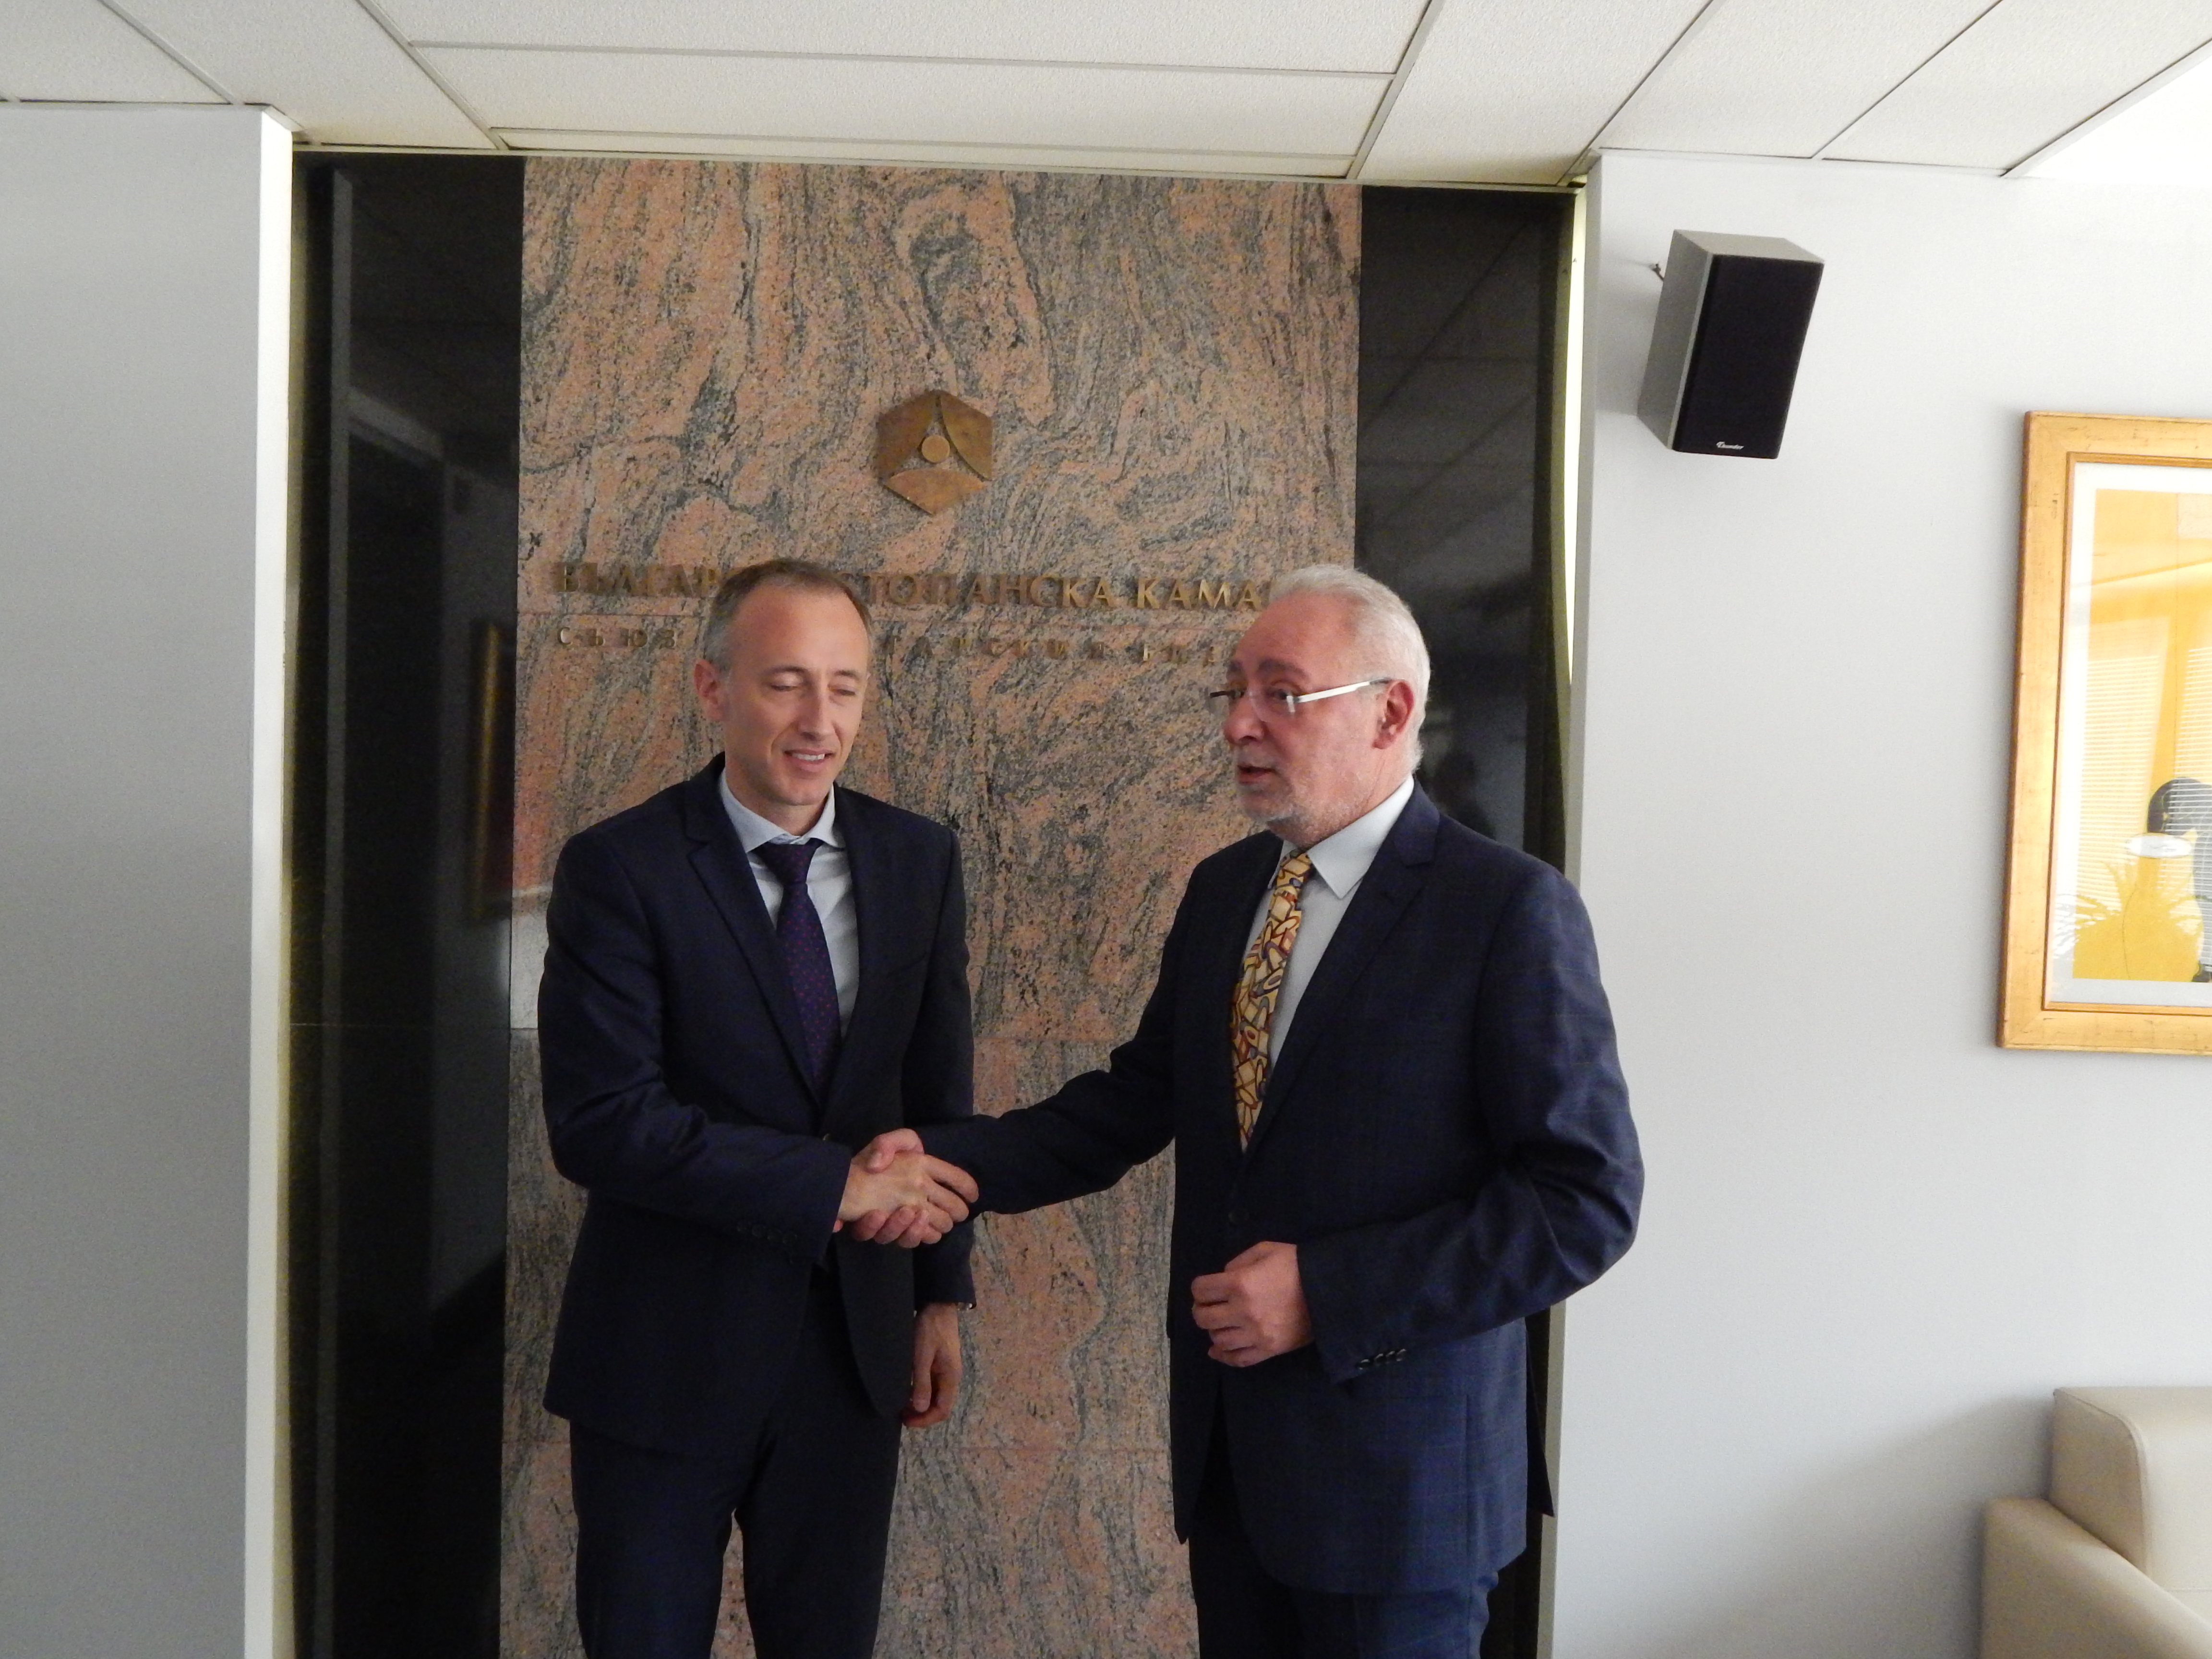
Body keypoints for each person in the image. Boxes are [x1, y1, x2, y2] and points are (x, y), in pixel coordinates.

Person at [856, 565, 1643, 1658]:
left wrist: (1327, 1292)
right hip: (1235, 1472)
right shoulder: (1227, 891)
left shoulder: (1506, 909)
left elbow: (1583, 1202)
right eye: (1234, 691)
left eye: (1283, 692)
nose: (1239, 723)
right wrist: (949, 1164)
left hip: (1402, 1498)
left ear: (1392, 713)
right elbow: (1133, 1102)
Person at [536, 558, 981, 1659]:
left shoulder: (918, 859)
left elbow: (937, 1096)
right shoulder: (620, 868)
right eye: (786, 683)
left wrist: (938, 1294)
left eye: (845, 686)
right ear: (712, 687)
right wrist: (836, 1185)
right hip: (662, 1355)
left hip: (853, 1349)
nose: (819, 721)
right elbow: (602, 1122)